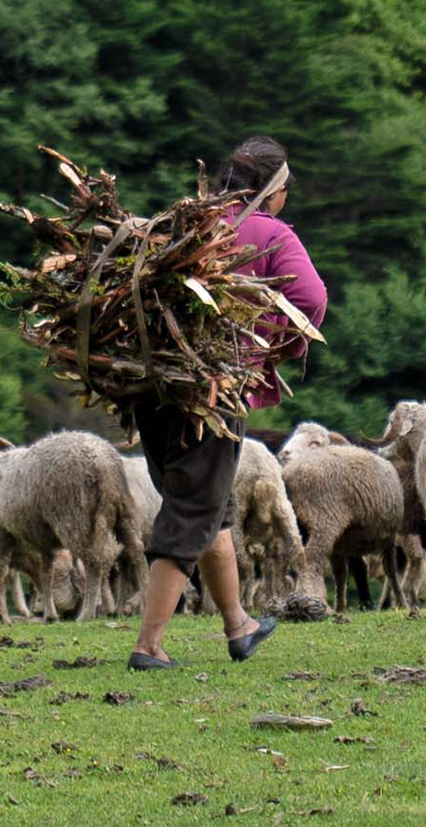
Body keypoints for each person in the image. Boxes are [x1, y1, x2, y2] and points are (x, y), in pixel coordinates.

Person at [128, 136, 328, 670]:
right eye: (285, 188)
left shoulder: (186, 223)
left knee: (213, 508)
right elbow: (311, 299)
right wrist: (274, 347)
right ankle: (149, 647)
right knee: (193, 508)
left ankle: (238, 625)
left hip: (153, 388)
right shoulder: (269, 233)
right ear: (271, 190)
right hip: (211, 392)